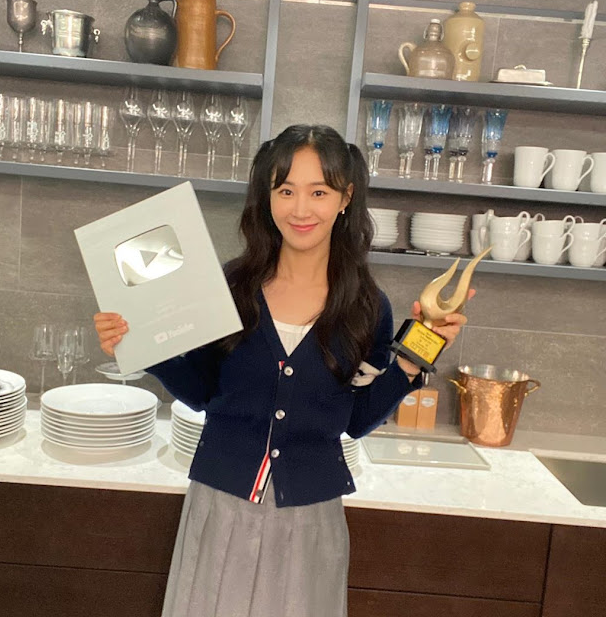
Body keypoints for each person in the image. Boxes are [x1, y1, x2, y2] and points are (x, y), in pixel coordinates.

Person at [94, 124, 471, 617]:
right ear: (266, 198)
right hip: (221, 504)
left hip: (309, 519)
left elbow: (357, 419)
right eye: (285, 190)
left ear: (345, 198)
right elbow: (203, 391)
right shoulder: (230, 287)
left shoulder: (366, 306)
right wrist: (140, 344)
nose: (300, 209)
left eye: (319, 192)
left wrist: (417, 353)